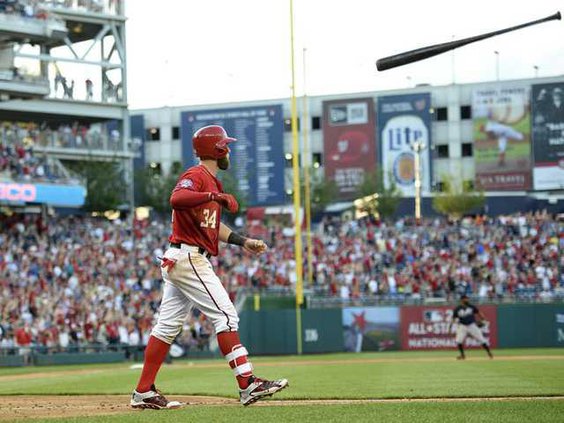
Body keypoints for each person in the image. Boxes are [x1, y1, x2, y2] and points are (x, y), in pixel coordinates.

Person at [130, 125, 288, 410]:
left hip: (182, 257)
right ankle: (248, 384)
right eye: (225, 145)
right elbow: (176, 199)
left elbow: (213, 227)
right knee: (227, 317)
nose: (228, 150)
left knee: (166, 327)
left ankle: (143, 391)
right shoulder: (197, 176)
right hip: (189, 258)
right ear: (217, 150)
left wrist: (243, 241)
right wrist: (214, 197)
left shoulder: (211, 182)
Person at [451, 295, 493, 360]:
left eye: (467, 299)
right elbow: (453, 318)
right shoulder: (457, 308)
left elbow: (479, 313)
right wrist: (454, 324)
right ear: (462, 300)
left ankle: (489, 353)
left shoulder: (471, 307)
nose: (467, 300)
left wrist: (484, 319)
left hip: (472, 325)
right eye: (465, 299)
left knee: (481, 339)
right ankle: (462, 355)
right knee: (459, 341)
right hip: (462, 326)